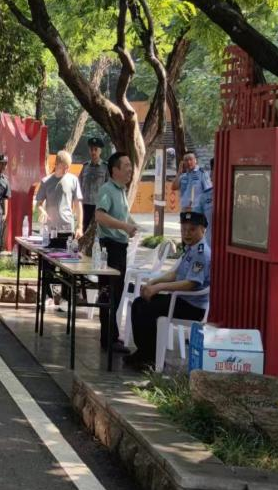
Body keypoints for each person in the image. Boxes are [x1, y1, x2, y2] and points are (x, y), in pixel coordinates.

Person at [126, 211, 210, 371]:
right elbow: (175, 274)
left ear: (203, 230)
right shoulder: (191, 249)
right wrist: (153, 282)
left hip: (192, 306)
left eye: (192, 230)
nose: (187, 234)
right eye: (184, 229)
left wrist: (158, 288)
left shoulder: (201, 253)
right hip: (180, 300)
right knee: (138, 303)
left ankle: (151, 358)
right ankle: (143, 352)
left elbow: (191, 284)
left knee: (147, 309)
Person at [95, 151, 139, 349]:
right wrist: (124, 227)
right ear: (115, 170)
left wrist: (132, 225)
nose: (130, 169)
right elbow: (100, 216)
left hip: (120, 247)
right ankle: (108, 338)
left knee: (117, 292)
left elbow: (122, 216)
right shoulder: (107, 189)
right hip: (110, 248)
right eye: (126, 165)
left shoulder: (120, 190)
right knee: (109, 292)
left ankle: (112, 336)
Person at [35, 150, 83, 248]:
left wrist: (79, 227)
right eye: (63, 167)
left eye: (68, 167)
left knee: (67, 256)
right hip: (51, 229)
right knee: (48, 256)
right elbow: (38, 204)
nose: (66, 170)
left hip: (68, 228)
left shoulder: (73, 180)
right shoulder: (46, 181)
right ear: (56, 164)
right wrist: (42, 211)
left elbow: (78, 205)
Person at [79, 139, 107, 231]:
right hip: (85, 205)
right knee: (84, 230)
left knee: (98, 231)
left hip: (99, 206)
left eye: (96, 149)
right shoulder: (85, 166)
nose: (93, 152)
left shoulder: (105, 167)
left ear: (100, 151)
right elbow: (79, 185)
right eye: (91, 149)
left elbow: (109, 188)